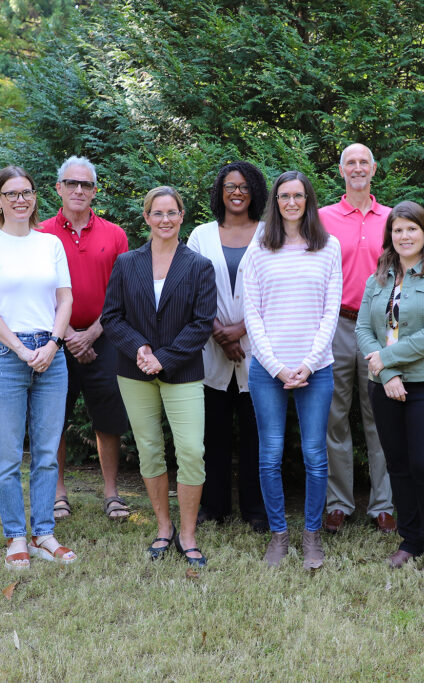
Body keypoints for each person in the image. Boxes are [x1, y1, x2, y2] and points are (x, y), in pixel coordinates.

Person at [101, 186, 217, 568]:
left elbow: (202, 324)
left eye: (172, 212)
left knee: (191, 452)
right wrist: (140, 349)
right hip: (133, 371)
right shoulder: (126, 262)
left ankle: (187, 533)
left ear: (182, 215)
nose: (165, 219)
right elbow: (111, 317)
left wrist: (163, 358)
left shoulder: (199, 266)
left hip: (182, 371)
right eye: (157, 213)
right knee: (149, 449)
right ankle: (163, 527)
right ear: (146, 218)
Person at [0, 165, 77, 569]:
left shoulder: (49, 244)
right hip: (4, 356)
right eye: (11, 193)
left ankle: (44, 534)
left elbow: (64, 300)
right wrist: (19, 348)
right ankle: (15, 536)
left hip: (51, 354)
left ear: (35, 197)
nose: (20, 199)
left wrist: (52, 343)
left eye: (26, 192)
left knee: (47, 453)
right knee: (8, 455)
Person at [356, 201, 424, 578]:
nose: (404, 236)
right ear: (390, 236)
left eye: (411, 229)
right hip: (384, 384)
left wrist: (388, 360)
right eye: (397, 230)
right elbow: (363, 331)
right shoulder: (378, 278)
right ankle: (410, 540)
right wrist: (386, 373)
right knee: (398, 465)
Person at [243, 170, 342, 569]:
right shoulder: (259, 247)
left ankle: (312, 537)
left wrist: (307, 364)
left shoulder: (328, 246)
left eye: (298, 195)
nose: (291, 202)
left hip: (316, 369)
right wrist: (278, 367)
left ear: (308, 200)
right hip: (268, 370)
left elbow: (330, 311)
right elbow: (252, 314)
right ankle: (279, 535)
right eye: (284, 196)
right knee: (270, 455)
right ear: (275, 201)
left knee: (316, 455)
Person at [38, 156, 131, 522]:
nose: (79, 190)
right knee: (53, 417)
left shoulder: (115, 234)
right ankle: (59, 492)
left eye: (86, 185)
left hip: (104, 338)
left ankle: (111, 493)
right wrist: (68, 336)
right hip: (53, 339)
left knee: (108, 419)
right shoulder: (40, 233)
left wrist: (90, 334)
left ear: (94, 191)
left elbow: (121, 292)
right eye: (71, 183)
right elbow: (37, 292)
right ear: (58, 188)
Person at [187, 161, 269, 531]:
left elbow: (279, 295)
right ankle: (213, 507)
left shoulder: (271, 235)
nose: (237, 192)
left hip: (259, 353)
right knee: (212, 436)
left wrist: (241, 331)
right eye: (229, 186)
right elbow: (188, 290)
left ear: (255, 192)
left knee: (257, 436)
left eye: (244, 186)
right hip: (210, 351)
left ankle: (255, 509)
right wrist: (220, 331)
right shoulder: (201, 236)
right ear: (220, 192)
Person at [319, 143, 395, 534]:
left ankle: (383, 504)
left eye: (365, 161)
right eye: (351, 162)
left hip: (382, 328)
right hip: (335, 325)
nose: (358, 167)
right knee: (334, 416)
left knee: (379, 415)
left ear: (374, 169)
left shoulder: (393, 218)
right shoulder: (322, 218)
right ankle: (339, 503)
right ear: (341, 170)